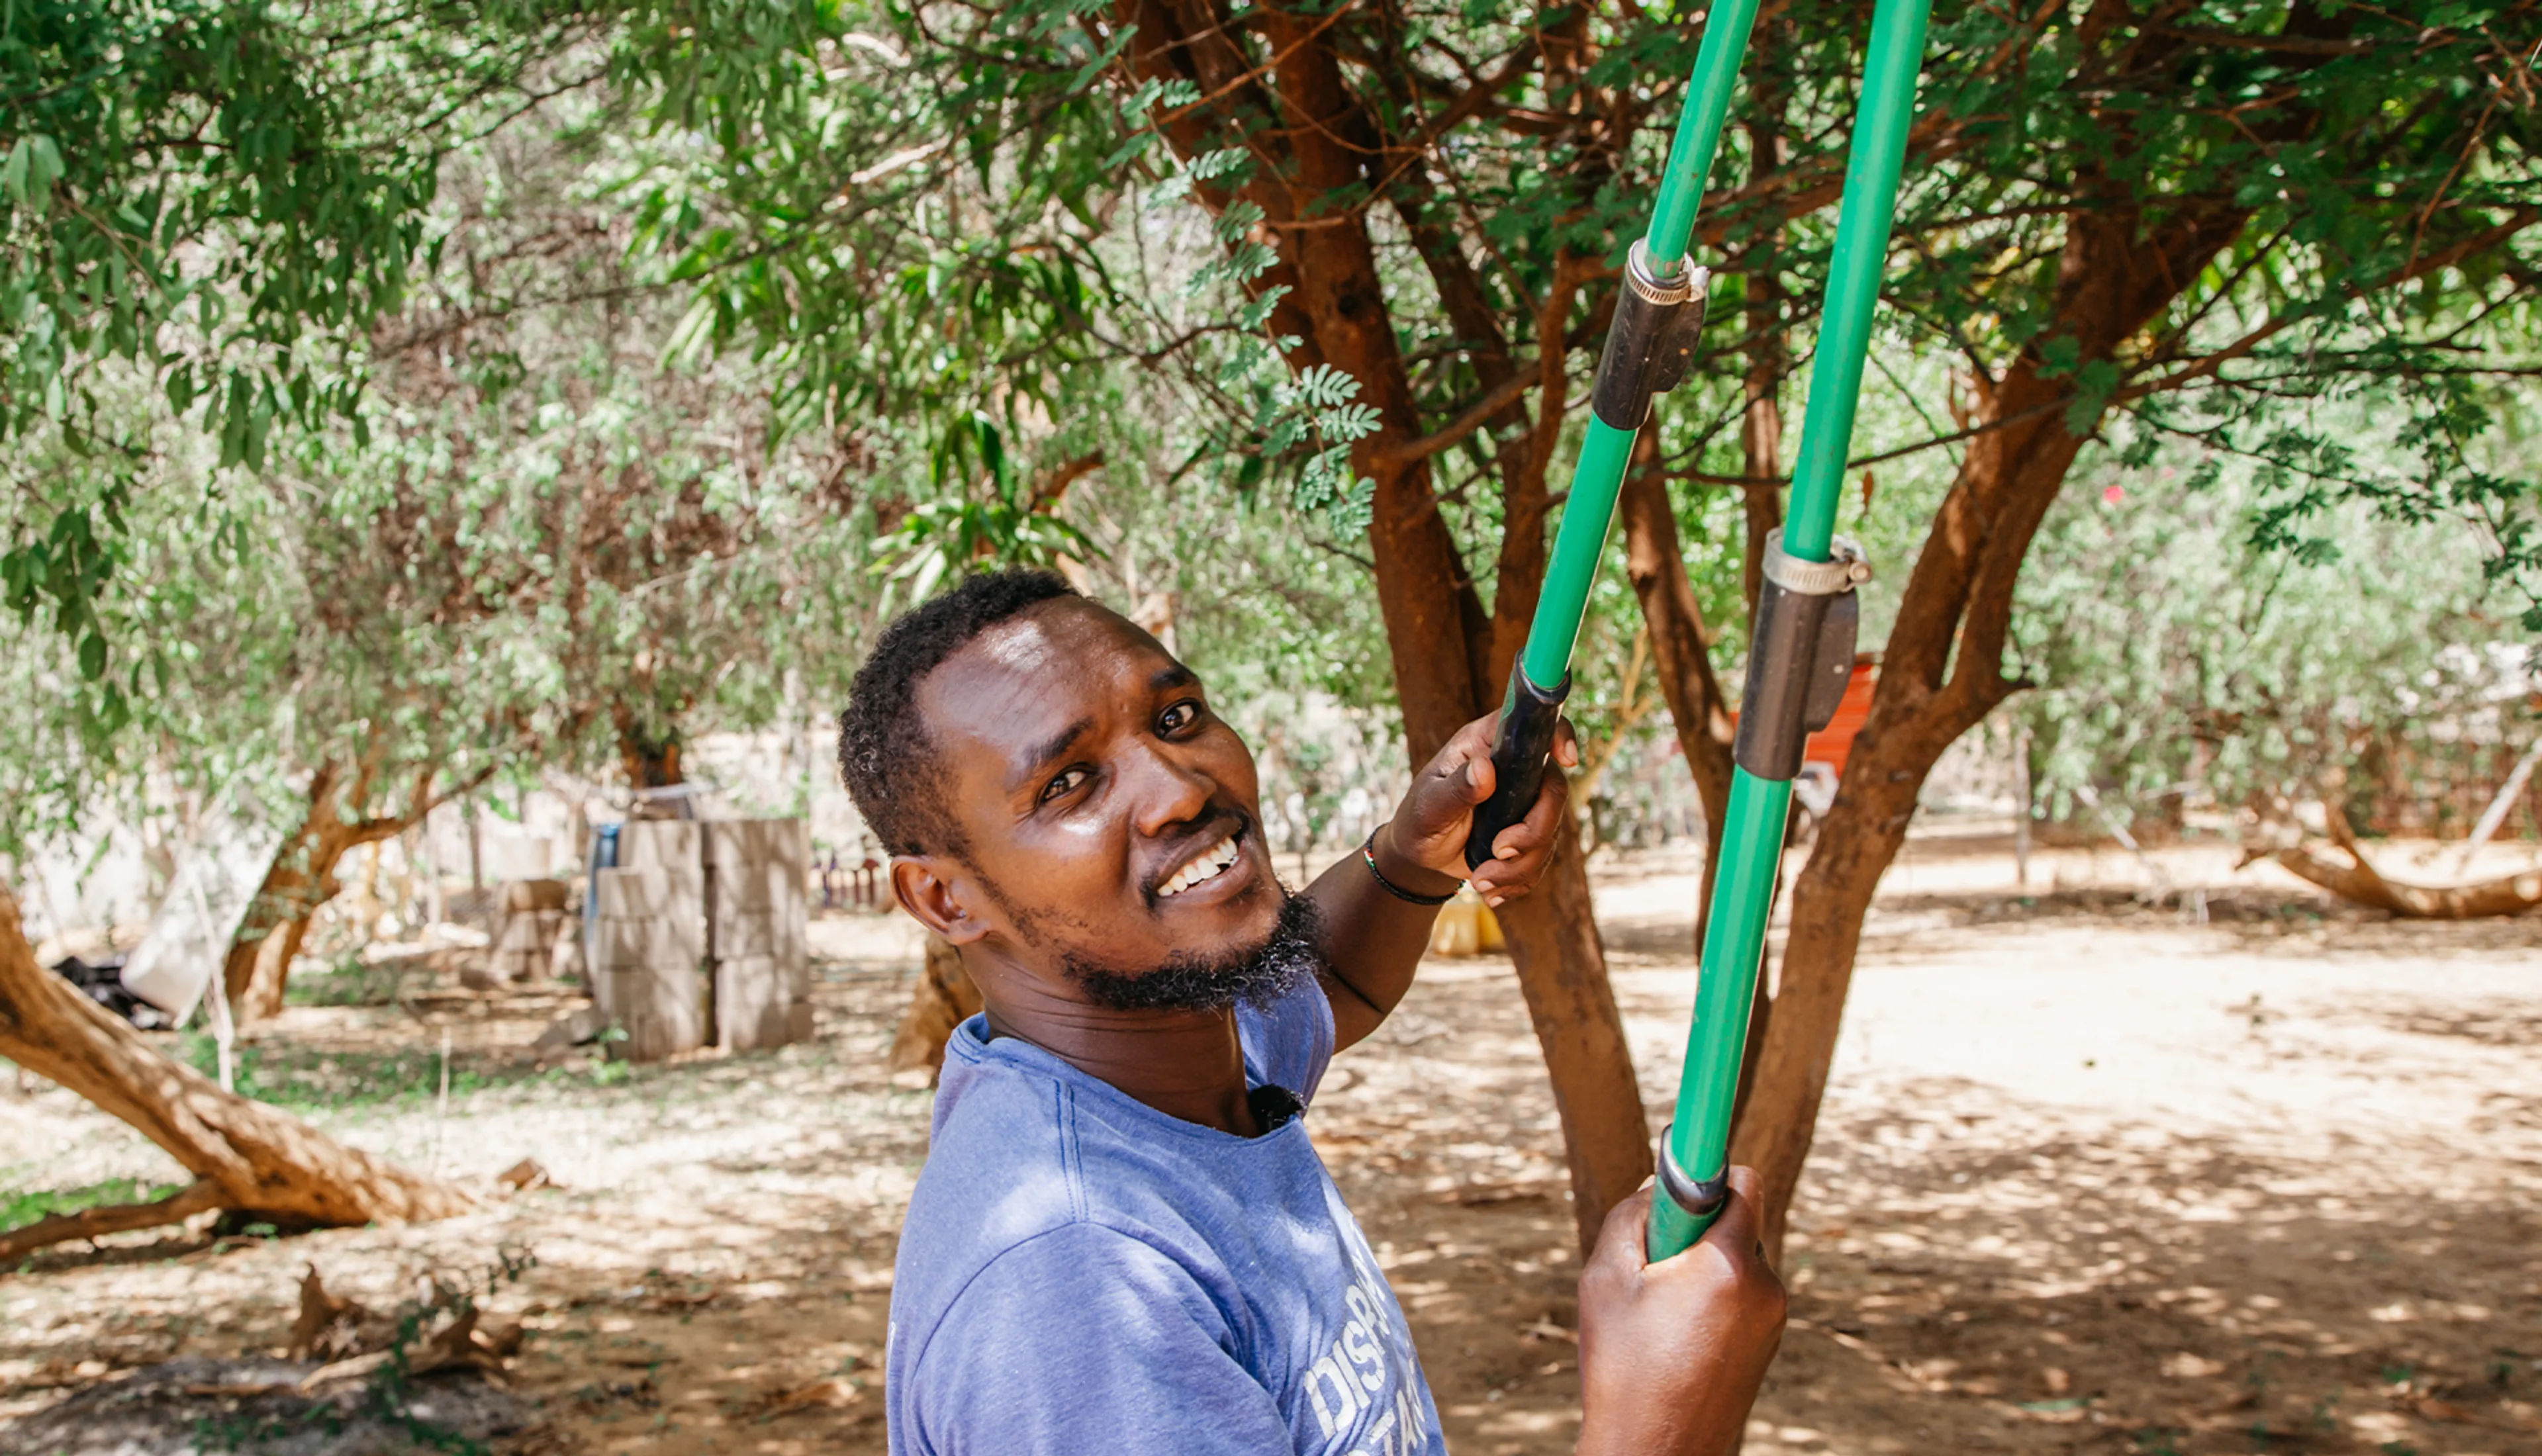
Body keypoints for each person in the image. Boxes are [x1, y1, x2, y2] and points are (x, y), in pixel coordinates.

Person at [836, 569, 1785, 1456]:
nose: (1180, 788)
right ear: (945, 900)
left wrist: (1416, 857)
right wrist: (1660, 1430)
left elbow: (1325, 986)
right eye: (1068, 783)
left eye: (1176, 716)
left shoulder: (1164, 1058)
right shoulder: (1073, 1288)